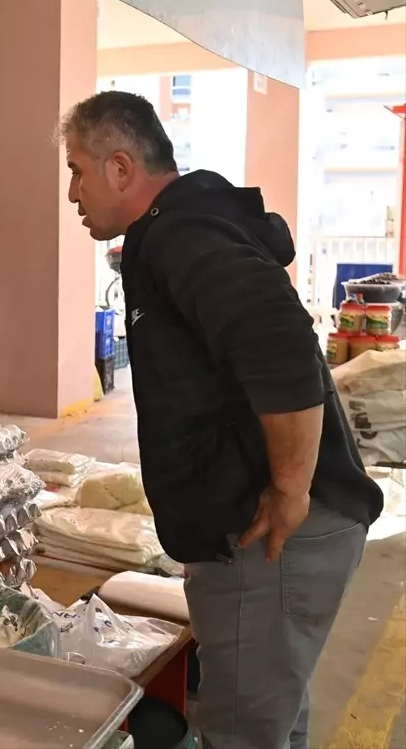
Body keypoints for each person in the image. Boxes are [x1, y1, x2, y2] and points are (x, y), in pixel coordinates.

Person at [60, 90, 383, 749]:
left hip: (271, 536)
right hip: (267, 531)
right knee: (272, 716)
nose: (73, 192)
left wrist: (290, 491)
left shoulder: (181, 233)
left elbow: (281, 345)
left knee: (242, 732)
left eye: (77, 171)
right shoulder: (181, 228)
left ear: (121, 168)